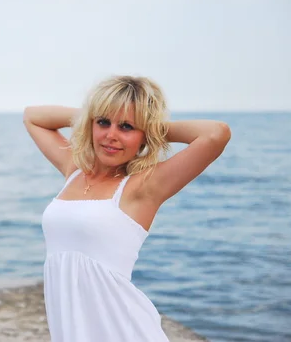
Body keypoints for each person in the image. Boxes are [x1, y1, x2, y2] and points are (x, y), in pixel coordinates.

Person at [23, 75, 231, 342]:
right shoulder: (73, 170)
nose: (111, 136)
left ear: (144, 135)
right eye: (103, 122)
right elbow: (32, 116)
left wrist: (150, 127)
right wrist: (94, 112)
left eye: (126, 127)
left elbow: (216, 133)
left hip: (123, 331)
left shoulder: (144, 187)